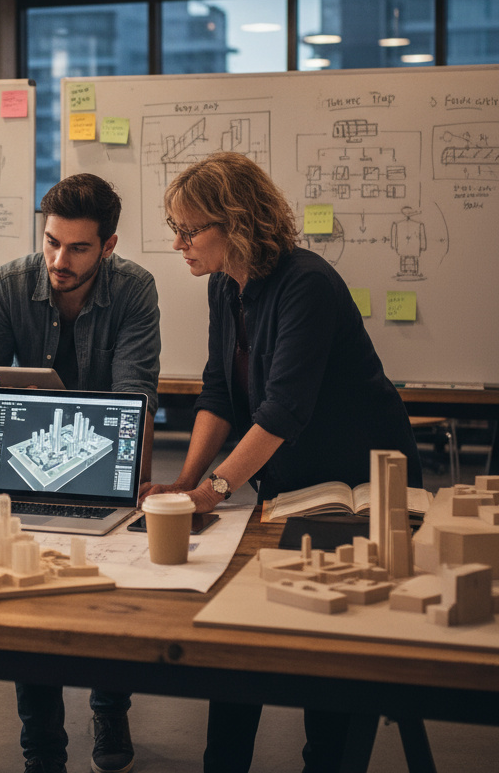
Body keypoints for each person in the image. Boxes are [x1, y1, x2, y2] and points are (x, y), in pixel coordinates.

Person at [140, 152, 421, 773]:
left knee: (328, 648)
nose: (178, 242)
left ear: (235, 224)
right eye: (174, 227)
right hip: (289, 482)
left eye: (190, 229)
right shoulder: (225, 285)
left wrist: (211, 493)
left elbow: (282, 411)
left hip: (359, 481)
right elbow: (218, 389)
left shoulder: (306, 283)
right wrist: (184, 484)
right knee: (240, 642)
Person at [0, 173, 161, 773]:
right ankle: (41, 746)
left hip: (112, 465)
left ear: (109, 244)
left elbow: (136, 399)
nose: (59, 259)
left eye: (78, 248)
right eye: (51, 242)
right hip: (29, 462)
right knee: (29, 599)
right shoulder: (8, 283)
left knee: (109, 596)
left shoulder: (135, 290)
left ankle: (109, 704)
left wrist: (47, 412)